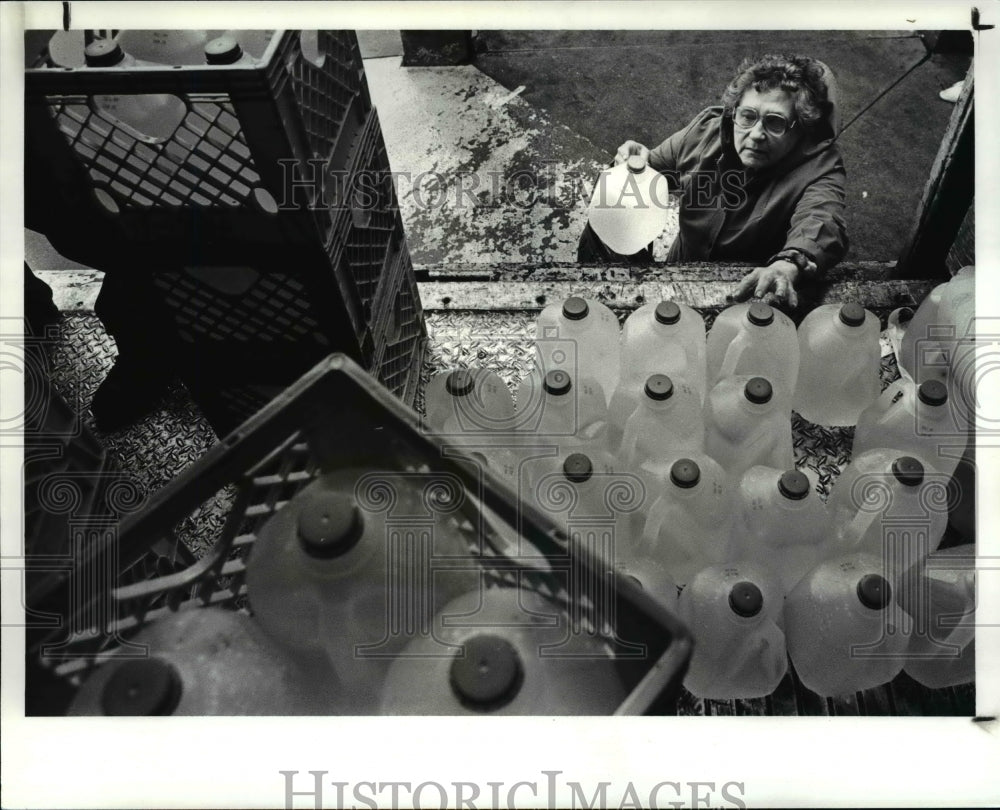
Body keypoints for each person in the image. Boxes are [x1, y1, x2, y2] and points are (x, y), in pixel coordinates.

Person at [578, 54, 848, 309]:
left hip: (749, 291)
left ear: (801, 126)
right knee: (608, 215)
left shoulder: (821, 169)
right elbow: (653, 174)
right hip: (681, 269)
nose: (755, 134)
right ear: (735, 112)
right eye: (748, 116)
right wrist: (631, 167)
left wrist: (789, 264)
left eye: (775, 122)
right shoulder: (705, 131)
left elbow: (822, 222)